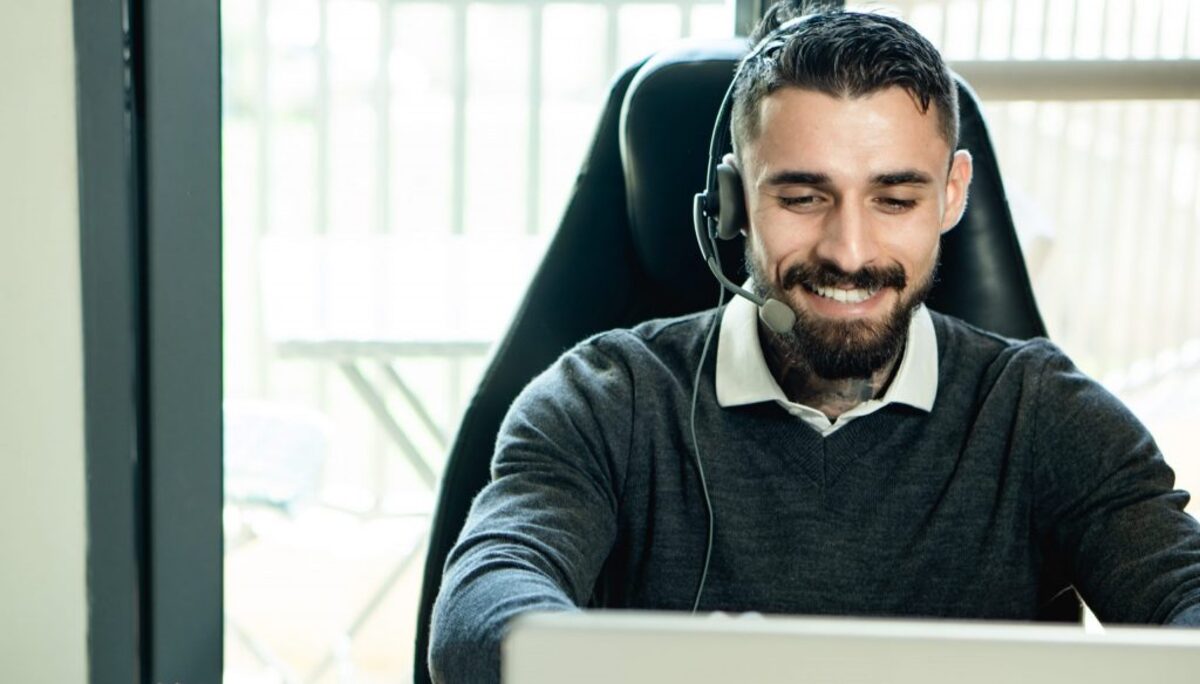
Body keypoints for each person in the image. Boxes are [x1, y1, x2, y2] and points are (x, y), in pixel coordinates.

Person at [427, 4, 1200, 682]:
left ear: (952, 195)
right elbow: (482, 608)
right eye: (802, 196)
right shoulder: (604, 399)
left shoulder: (1045, 415)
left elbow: (1184, 595)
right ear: (733, 201)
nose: (850, 251)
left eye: (895, 198)